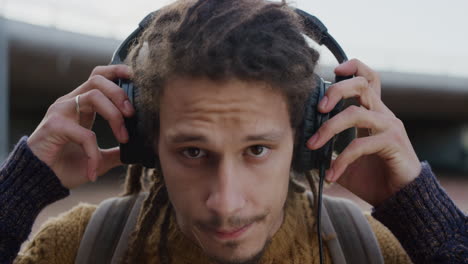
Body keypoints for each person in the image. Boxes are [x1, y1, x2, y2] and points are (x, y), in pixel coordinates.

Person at [1, 0, 467, 263]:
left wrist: (421, 214)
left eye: (258, 149)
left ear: (311, 140)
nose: (226, 203)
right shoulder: (79, 249)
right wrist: (19, 192)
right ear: (144, 141)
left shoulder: (373, 253)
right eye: (193, 152)